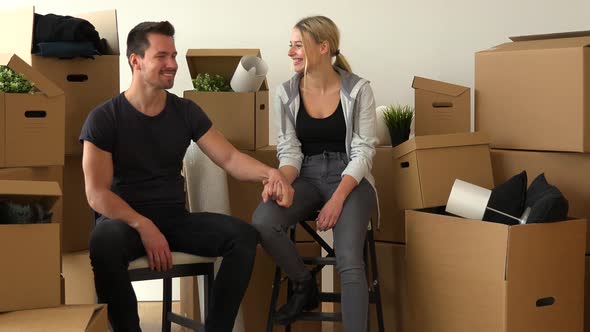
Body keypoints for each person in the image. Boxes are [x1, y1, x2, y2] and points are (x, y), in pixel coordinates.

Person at [80, 21, 293, 332]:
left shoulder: (185, 111)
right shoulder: (104, 118)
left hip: (174, 220)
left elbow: (230, 158)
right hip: (125, 224)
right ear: (135, 61)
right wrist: (143, 225)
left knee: (243, 236)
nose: (172, 65)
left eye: (174, 56)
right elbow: (97, 194)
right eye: (162, 56)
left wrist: (271, 174)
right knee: (103, 240)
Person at [252, 15, 379, 331]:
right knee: (263, 222)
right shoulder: (286, 93)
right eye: (291, 45)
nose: (291, 52)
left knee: (349, 260)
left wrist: (338, 197)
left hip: (350, 178)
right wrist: (281, 178)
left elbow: (363, 152)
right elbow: (290, 151)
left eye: (298, 45)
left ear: (324, 47)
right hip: (305, 176)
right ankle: (303, 284)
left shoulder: (358, 90)